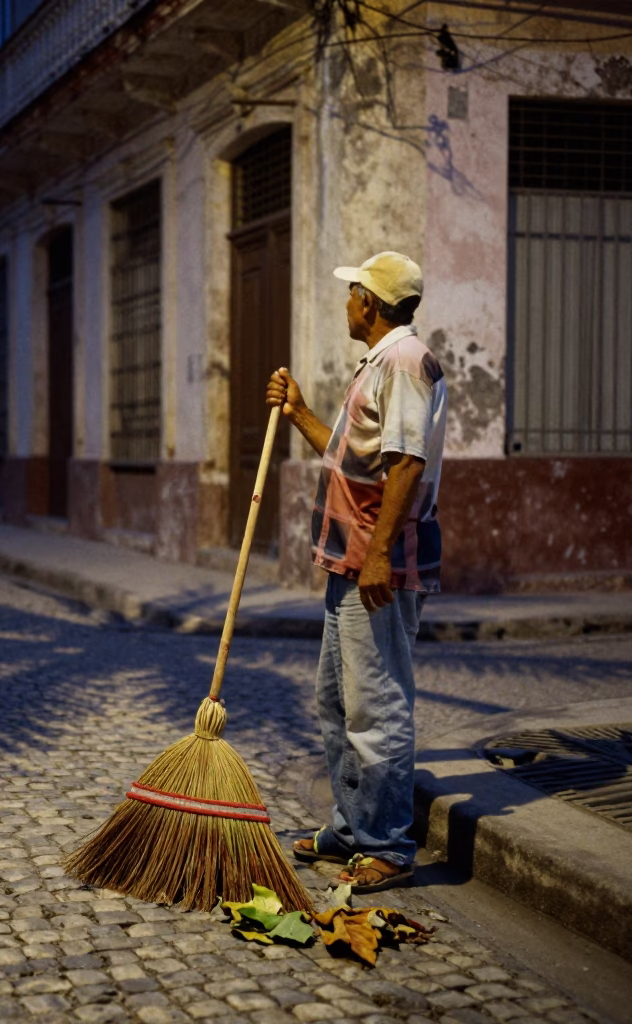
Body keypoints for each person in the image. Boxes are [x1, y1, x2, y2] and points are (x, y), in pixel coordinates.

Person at [266, 251, 447, 893]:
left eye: (351, 294)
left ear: (369, 302)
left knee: (376, 706)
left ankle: (387, 846)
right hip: (353, 558)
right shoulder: (380, 362)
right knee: (337, 701)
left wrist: (376, 556)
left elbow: (406, 463)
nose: (345, 303)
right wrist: (299, 412)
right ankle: (349, 828)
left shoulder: (402, 361)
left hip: (377, 562)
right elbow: (357, 459)